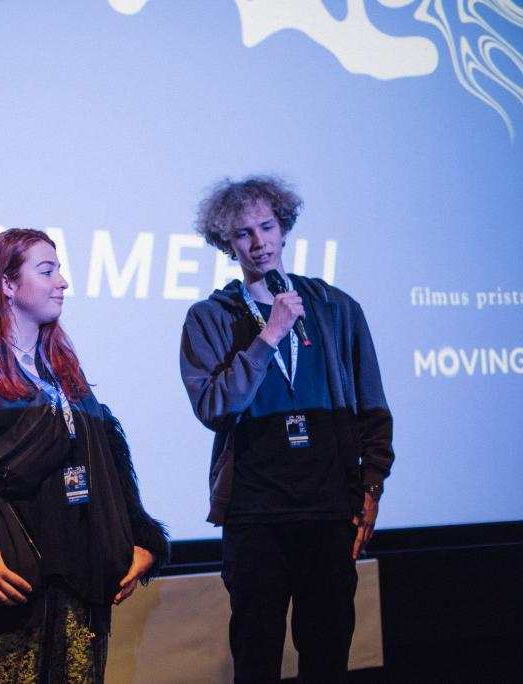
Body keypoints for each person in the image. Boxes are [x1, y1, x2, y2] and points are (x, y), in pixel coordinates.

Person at [0, 229, 168, 683]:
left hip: (79, 593)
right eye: (47, 270)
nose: (63, 282)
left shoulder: (65, 375)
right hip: (6, 600)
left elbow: (107, 469)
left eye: (59, 270)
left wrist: (141, 539)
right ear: (7, 284)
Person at [179, 175, 394, 683]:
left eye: (267, 226)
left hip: (328, 509)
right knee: (256, 659)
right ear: (226, 243)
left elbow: (373, 406)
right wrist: (269, 336)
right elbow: (213, 406)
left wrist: (371, 484)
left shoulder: (336, 307)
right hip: (256, 514)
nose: (259, 242)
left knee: (327, 657)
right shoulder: (208, 318)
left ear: (284, 227)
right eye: (243, 233)